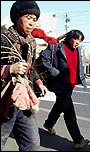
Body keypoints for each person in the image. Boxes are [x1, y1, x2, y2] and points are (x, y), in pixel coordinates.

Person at [1, 1, 47, 151]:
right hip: (4, 100)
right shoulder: (3, 39)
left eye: (35, 19)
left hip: (23, 100)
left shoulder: (32, 42)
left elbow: (31, 68)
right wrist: (9, 69)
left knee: (32, 145)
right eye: (28, 17)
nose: (32, 23)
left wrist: (39, 82)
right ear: (16, 17)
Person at [41, 29, 90, 150]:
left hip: (70, 84)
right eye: (76, 39)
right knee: (69, 112)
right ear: (69, 38)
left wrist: (81, 76)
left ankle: (48, 124)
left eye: (80, 40)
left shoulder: (77, 50)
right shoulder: (57, 47)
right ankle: (78, 140)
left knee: (59, 105)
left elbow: (77, 65)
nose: (78, 42)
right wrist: (54, 72)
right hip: (60, 84)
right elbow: (44, 57)